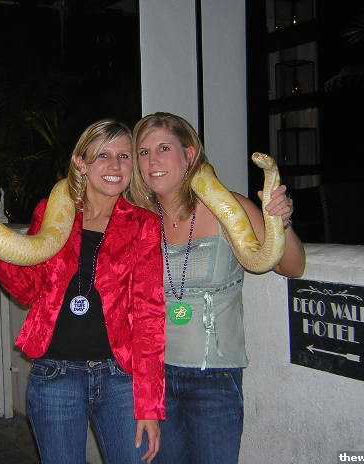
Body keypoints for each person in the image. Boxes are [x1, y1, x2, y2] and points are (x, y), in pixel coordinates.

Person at [0, 119, 165, 464]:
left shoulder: (143, 224)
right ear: (81, 162)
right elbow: (27, 289)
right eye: (103, 155)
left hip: (119, 377)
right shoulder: (52, 212)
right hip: (56, 374)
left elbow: (150, 316)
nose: (115, 165)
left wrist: (150, 405)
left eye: (124, 156)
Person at [129, 112, 305, 464]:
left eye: (164, 148)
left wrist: (280, 222)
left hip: (214, 379)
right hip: (154, 380)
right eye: (144, 152)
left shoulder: (230, 209)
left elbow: (292, 266)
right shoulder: (139, 221)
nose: (152, 161)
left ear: (190, 154)